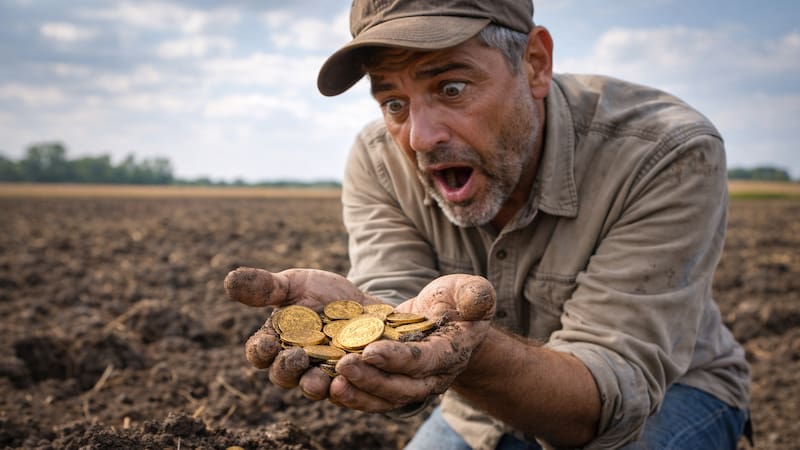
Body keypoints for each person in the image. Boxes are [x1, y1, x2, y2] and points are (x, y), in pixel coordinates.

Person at [224, 0, 751, 448]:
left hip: (669, 395)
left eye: (451, 88)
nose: (419, 138)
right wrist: (368, 333)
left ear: (536, 64)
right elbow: (392, 316)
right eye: (394, 102)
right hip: (478, 407)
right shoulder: (378, 159)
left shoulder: (666, 153)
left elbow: (606, 402)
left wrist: (468, 351)